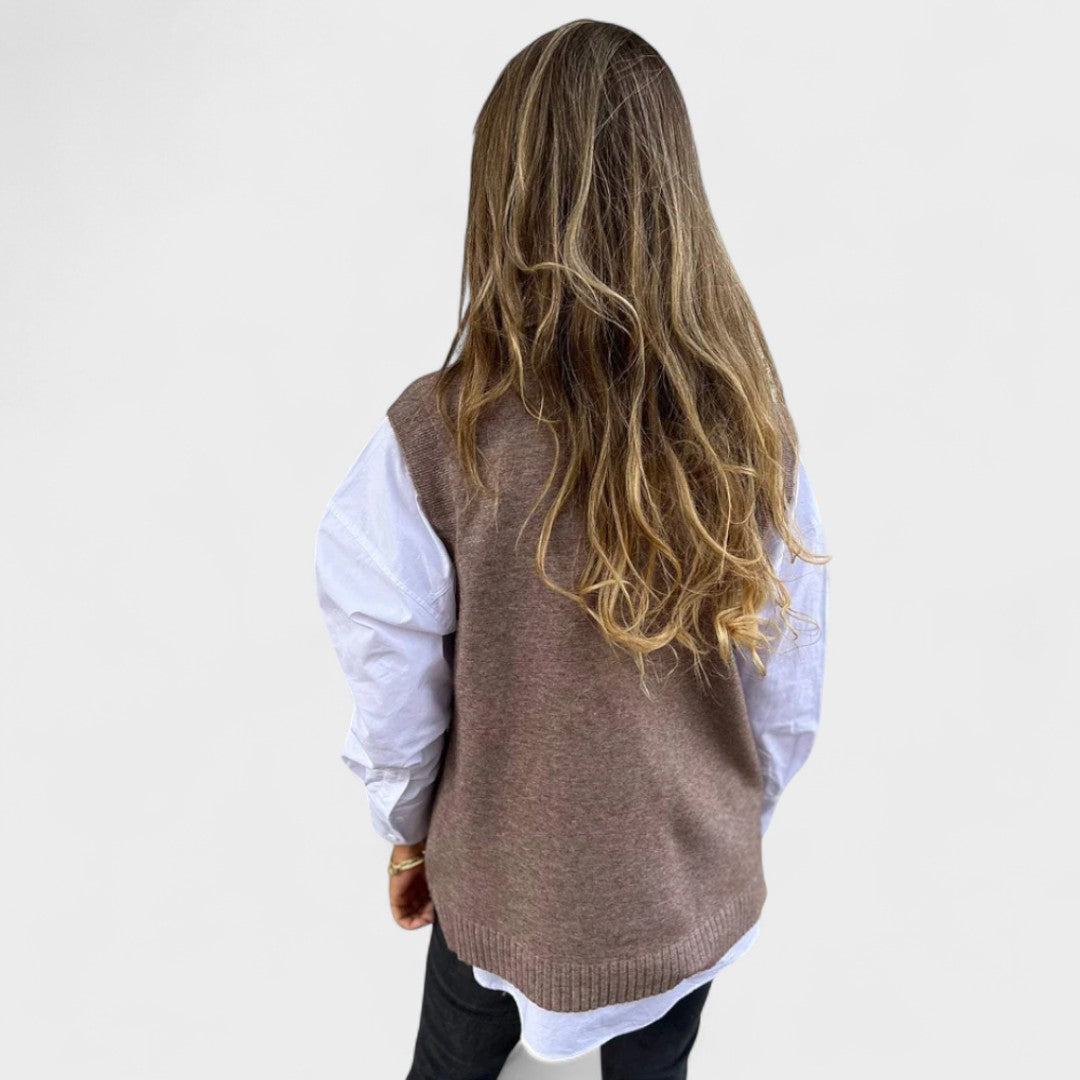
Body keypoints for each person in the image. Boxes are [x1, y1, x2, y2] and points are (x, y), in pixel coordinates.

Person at [315, 18, 829, 1079]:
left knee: (449, 1064)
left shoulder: (439, 437)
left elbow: (391, 676)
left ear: (501, 204)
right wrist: (719, 827)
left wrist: (411, 830)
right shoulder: (746, 428)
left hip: (498, 882)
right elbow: (788, 684)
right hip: (682, 892)